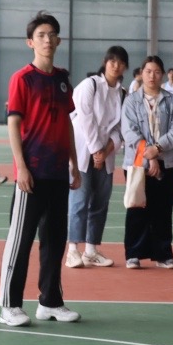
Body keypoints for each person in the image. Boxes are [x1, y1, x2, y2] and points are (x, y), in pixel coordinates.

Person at [0, 11, 82, 327]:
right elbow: (13, 124)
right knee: (20, 241)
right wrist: (21, 167)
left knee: (55, 240)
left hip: (58, 172)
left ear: (58, 40)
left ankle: (50, 302)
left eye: (52, 34)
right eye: (41, 35)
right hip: (31, 173)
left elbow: (67, 124)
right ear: (30, 42)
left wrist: (75, 164)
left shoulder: (62, 80)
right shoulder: (22, 79)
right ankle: (9, 306)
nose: (48, 40)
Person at [66, 46, 127, 269]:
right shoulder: (89, 85)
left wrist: (105, 151)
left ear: (125, 67)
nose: (116, 66)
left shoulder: (122, 93)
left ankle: (91, 250)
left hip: (105, 155)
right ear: (105, 62)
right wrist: (95, 150)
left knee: (100, 202)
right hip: (82, 151)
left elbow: (119, 128)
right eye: (112, 61)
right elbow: (85, 118)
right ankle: (72, 250)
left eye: (120, 62)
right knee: (79, 201)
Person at [121, 56, 173, 269]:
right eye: (148, 71)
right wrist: (149, 156)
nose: (152, 76)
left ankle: (163, 255)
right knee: (137, 207)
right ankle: (133, 254)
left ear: (163, 75)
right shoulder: (131, 101)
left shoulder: (172, 101)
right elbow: (129, 132)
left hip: (168, 162)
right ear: (141, 73)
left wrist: (157, 149)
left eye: (157, 72)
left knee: (163, 209)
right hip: (137, 163)